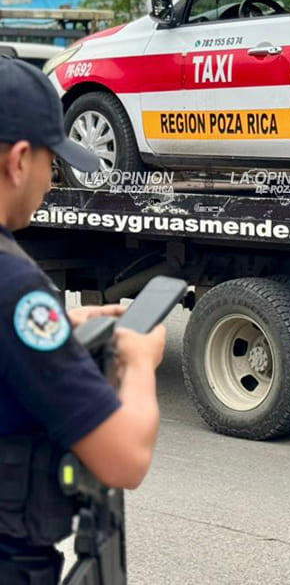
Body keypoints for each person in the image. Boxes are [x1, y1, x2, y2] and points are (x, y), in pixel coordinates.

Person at [0, 57, 167, 584]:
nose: (53, 180)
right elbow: (124, 458)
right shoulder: (16, 289)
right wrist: (139, 361)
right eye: (53, 160)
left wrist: (63, 324)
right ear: (19, 160)